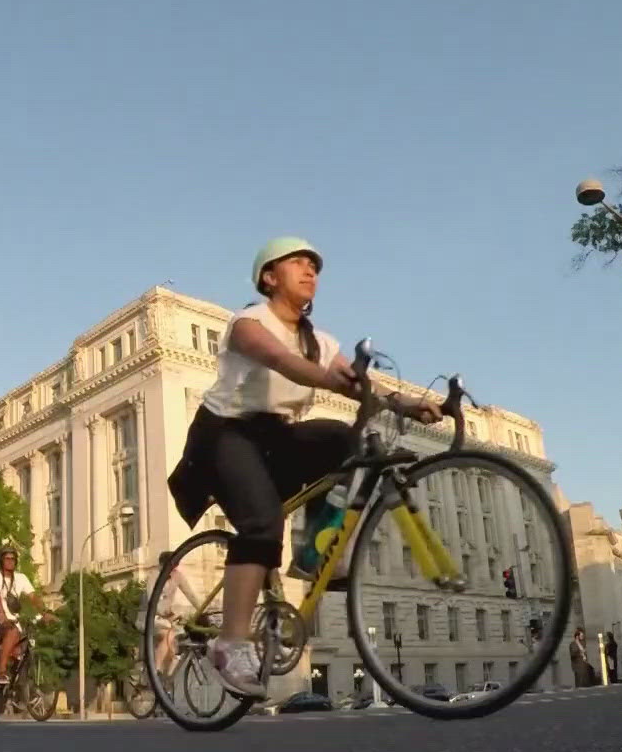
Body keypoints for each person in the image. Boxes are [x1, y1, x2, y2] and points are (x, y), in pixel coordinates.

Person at [166, 237, 441, 698]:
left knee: (344, 438)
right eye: (297, 262)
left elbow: (360, 384)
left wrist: (412, 405)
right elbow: (283, 362)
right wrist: (337, 380)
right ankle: (230, 643)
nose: (310, 269)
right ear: (269, 277)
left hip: (275, 437)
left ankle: (318, 550)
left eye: (314, 265)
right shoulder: (249, 323)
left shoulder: (320, 340)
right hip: (224, 434)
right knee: (261, 524)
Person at [0, 547, 38, 683]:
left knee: (24, 643)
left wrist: (45, 612)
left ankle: (17, 685)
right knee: (12, 632)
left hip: (13, 620)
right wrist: (1, 612)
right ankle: (1, 671)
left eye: (13, 559)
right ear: (1, 560)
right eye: (7, 558)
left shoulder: (21, 578)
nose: (10, 561)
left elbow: (33, 596)